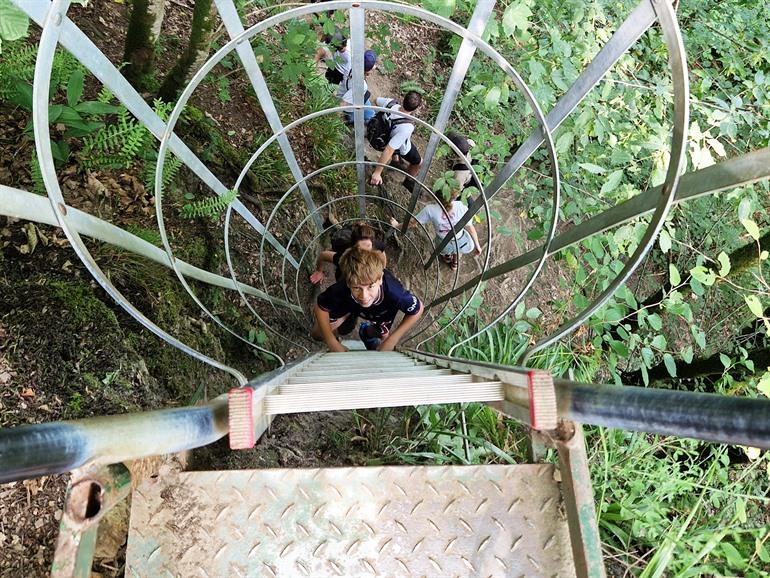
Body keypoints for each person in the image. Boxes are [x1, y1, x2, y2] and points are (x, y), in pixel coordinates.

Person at [312, 247, 423, 351]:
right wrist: (331, 342)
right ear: (348, 283)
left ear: (380, 280)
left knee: (381, 333)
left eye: (370, 286)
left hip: (381, 312)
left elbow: (417, 309)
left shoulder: (394, 294)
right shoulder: (342, 288)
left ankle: (366, 333)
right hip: (348, 304)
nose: (364, 296)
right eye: (357, 288)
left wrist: (393, 339)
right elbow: (321, 307)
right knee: (317, 334)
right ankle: (346, 321)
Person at [390, 188, 481, 270]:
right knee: (457, 248)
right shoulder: (461, 206)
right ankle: (455, 263)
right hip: (462, 243)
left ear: (436, 196)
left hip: (443, 244)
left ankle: (447, 257)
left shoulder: (430, 210)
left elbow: (412, 223)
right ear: (454, 196)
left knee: (446, 248)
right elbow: (471, 228)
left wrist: (397, 225)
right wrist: (478, 246)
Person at [368, 91, 423, 188]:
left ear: (403, 99)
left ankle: (396, 159)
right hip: (388, 144)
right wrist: (377, 172)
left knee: (395, 138)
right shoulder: (407, 127)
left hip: (376, 136)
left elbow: (376, 100)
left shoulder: (390, 103)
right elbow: (389, 150)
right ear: (416, 108)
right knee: (418, 161)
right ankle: (408, 181)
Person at [309, 222, 387, 284]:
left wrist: (382, 269)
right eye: (360, 250)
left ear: (372, 244)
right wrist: (319, 271)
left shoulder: (376, 245)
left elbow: (382, 251)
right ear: (353, 247)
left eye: (368, 247)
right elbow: (323, 255)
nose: (365, 253)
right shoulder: (344, 258)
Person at [340, 50, 377, 125]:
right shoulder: (361, 85)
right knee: (360, 121)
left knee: (372, 115)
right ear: (367, 71)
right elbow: (342, 103)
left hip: (352, 93)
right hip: (349, 106)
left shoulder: (350, 62)